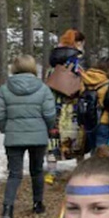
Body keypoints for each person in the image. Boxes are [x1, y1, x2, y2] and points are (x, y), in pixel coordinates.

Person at [0, 55, 56, 218]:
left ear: (14, 68)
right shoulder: (43, 89)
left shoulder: (5, 89)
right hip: (38, 136)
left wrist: (6, 129)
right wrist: (47, 128)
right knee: (37, 170)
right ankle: (38, 204)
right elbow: (50, 114)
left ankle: (7, 211)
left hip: (14, 137)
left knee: (14, 174)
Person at [46, 29, 86, 164]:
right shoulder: (76, 60)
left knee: (54, 134)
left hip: (54, 102)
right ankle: (79, 166)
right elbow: (81, 80)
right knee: (75, 136)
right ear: (78, 42)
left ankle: (51, 168)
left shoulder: (54, 58)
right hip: (71, 102)